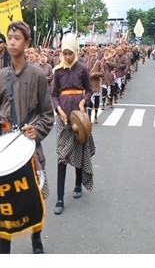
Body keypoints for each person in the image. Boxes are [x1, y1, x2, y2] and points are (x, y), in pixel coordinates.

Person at [0, 21, 55, 254]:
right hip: (5, 146)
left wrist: (37, 131)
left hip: (28, 146)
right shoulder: (0, 76)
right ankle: (3, 251)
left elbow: (48, 114)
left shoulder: (37, 75)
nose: (12, 41)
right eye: (10, 37)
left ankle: (36, 238)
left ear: (27, 43)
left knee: (33, 197)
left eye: (17, 38)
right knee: (3, 204)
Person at [50, 33, 96, 215]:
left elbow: (89, 90)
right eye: (65, 53)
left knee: (78, 151)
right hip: (63, 119)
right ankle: (60, 198)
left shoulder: (82, 69)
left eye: (70, 53)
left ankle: (78, 183)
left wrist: (84, 101)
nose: (67, 57)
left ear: (75, 52)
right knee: (62, 156)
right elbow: (54, 95)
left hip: (79, 117)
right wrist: (59, 111)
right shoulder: (57, 71)